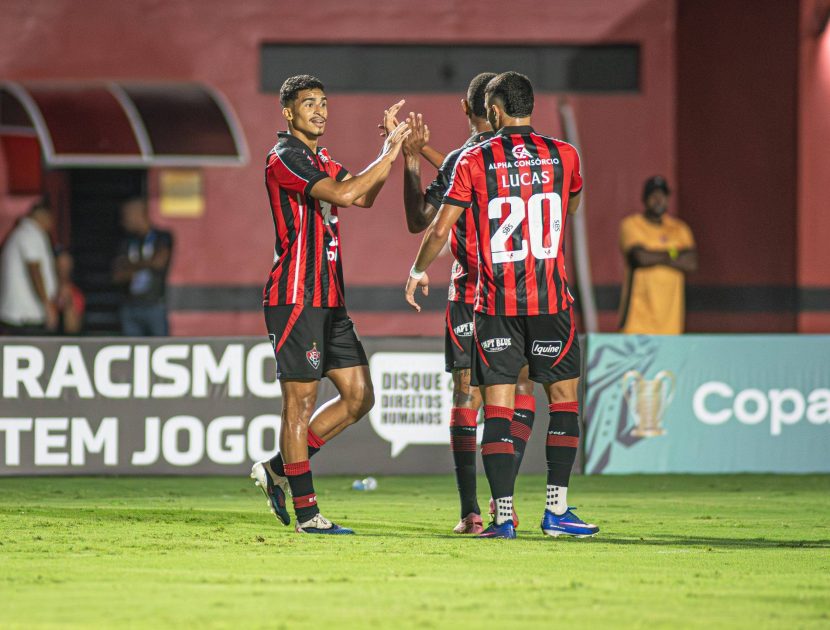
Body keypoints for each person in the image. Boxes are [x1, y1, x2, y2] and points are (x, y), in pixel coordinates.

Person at [405, 71, 599, 539]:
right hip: (552, 298)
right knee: (564, 400)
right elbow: (571, 208)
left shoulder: (475, 158)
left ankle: (502, 518)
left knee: (497, 406)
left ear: (492, 111)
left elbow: (434, 228)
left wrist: (416, 270)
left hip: (495, 302)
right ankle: (556, 510)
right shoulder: (564, 155)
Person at [250, 74, 411, 535]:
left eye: (323, 103)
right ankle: (307, 514)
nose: (319, 111)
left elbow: (365, 195)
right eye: (308, 104)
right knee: (298, 406)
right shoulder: (286, 157)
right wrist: (386, 156)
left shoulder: (320, 157)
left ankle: (278, 469)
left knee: (360, 396)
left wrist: (391, 153)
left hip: (330, 298)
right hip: (296, 297)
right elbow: (344, 193)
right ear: (288, 112)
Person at [390, 73, 537, 535]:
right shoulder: (539, 156)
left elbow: (421, 221)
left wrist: (412, 161)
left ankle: (471, 511)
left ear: (466, 108)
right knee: (521, 394)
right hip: (529, 292)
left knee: (467, 394)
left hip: (473, 294)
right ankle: (505, 506)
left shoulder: (466, 158)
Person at [618, 176, 697, 334]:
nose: (658, 200)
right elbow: (640, 257)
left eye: (663, 195)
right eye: (653, 195)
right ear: (644, 198)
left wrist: (654, 254)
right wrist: (674, 253)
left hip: (671, 325)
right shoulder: (632, 224)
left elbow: (691, 263)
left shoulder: (679, 229)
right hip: (637, 322)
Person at [112, 198, 173, 336]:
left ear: (140, 214)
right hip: (130, 306)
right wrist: (147, 263)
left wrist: (131, 265)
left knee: (159, 348)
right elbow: (117, 275)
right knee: (131, 350)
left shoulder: (162, 237)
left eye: (128, 215)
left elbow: (159, 262)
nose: (124, 220)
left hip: (155, 305)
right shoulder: (126, 242)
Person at [0, 201, 58, 335]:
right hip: (24, 315)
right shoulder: (30, 233)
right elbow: (34, 269)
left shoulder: (20, 233)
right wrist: (47, 304)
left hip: (18, 313)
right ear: (43, 217)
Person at [54, 248, 85, 335]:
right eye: (60, 264)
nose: (63, 269)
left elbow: (73, 329)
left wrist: (68, 303)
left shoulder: (76, 293)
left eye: (66, 265)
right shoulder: (45, 290)